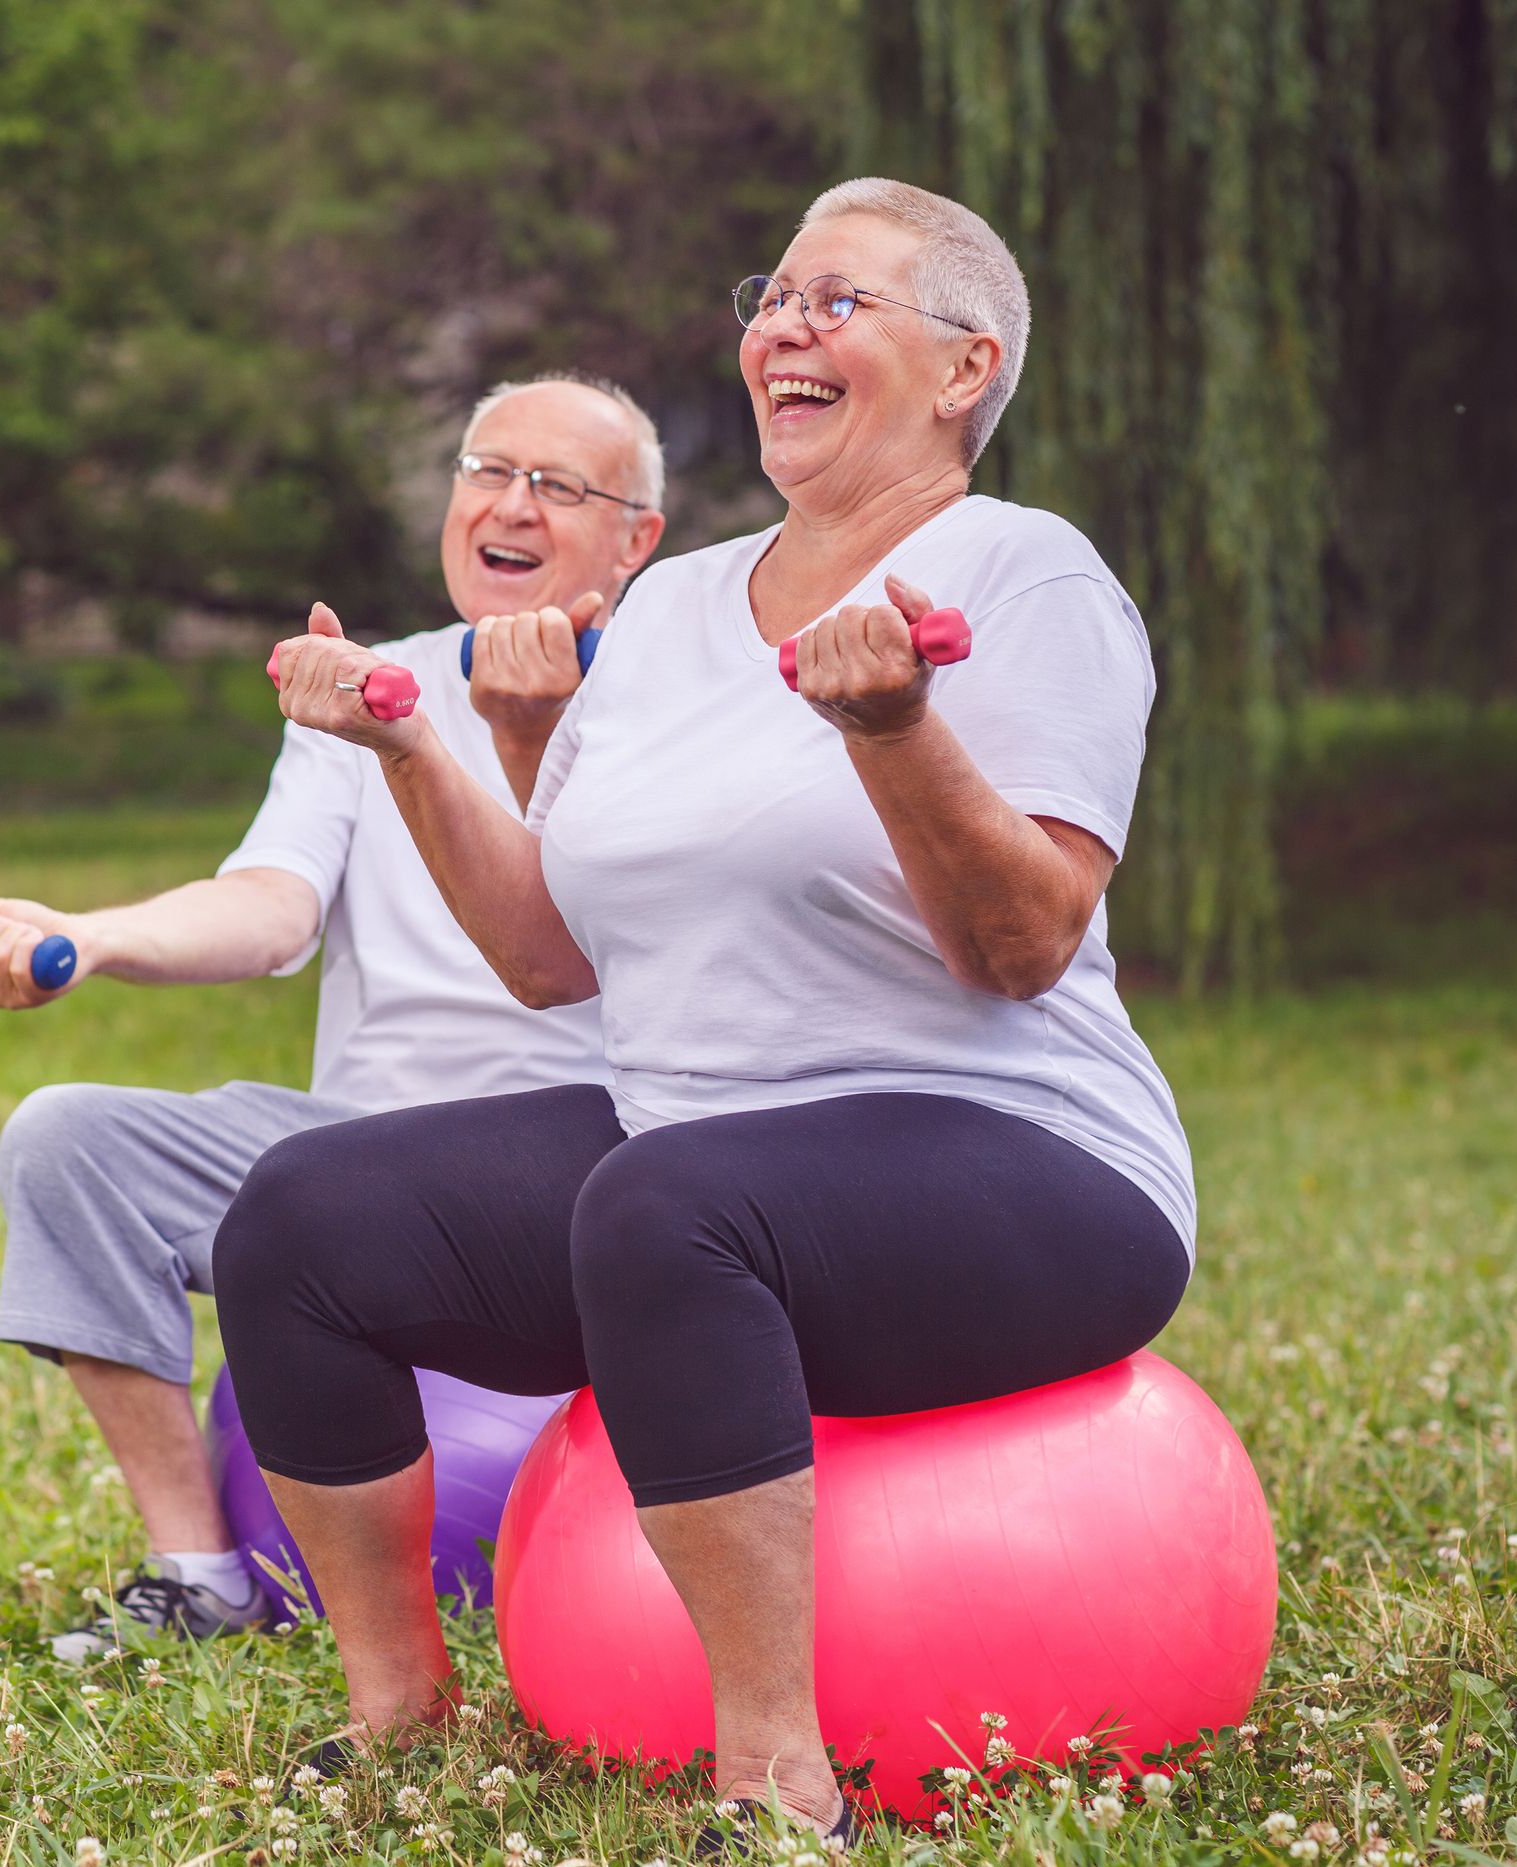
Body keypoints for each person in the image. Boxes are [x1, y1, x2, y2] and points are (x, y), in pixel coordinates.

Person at [224, 178, 1197, 1839]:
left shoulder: (1030, 572)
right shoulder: (674, 608)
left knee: (669, 1204)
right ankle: (396, 1708)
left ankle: (774, 1775)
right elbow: (550, 955)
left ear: (967, 367)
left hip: (1028, 1163)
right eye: (773, 297)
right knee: (304, 1215)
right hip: (692, 1159)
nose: (782, 327)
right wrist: (405, 746)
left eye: (840, 299)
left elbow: (1024, 942)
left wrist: (894, 727)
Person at [0, 375, 667, 1660]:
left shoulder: (674, 701)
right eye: (486, 470)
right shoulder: (368, 687)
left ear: (635, 538)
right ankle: (196, 1568)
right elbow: (270, 905)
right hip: (347, 1158)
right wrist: (93, 937)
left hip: (578, 1177)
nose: (509, 505)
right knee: (67, 1141)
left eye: (558, 485)